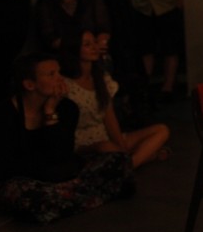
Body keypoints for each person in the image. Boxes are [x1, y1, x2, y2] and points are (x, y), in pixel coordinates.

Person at [0, 53, 134, 224]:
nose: (60, 78)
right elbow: (4, 168)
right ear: (29, 84)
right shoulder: (2, 115)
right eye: (51, 74)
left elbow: (61, 155)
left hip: (59, 177)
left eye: (59, 72)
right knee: (26, 192)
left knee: (118, 160)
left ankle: (66, 201)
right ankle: (85, 197)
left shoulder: (67, 108)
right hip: (24, 181)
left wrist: (50, 112)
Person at [60, 31, 170, 168]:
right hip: (83, 143)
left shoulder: (100, 79)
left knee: (161, 130)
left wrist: (121, 145)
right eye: (87, 44)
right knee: (107, 147)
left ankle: (128, 164)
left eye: (95, 42)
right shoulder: (65, 84)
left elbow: (109, 117)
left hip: (104, 136)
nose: (94, 47)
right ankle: (136, 159)